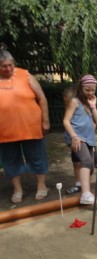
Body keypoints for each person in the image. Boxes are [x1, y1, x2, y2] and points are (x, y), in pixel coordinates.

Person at [0, 50, 50, 204]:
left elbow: (42, 98)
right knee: (10, 160)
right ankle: (17, 189)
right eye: (3, 66)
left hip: (31, 126)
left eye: (10, 65)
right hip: (5, 130)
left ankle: (42, 186)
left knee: (37, 157)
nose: (8, 69)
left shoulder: (26, 75)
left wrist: (45, 121)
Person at [63, 74, 97, 205]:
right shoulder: (75, 102)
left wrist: (93, 106)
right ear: (81, 88)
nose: (90, 93)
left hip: (89, 138)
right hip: (77, 137)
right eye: (87, 90)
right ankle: (85, 194)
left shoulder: (89, 103)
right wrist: (74, 136)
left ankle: (87, 193)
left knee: (90, 166)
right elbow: (66, 121)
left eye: (93, 90)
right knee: (85, 161)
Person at [63, 86, 83, 195]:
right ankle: (78, 184)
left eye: (67, 100)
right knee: (76, 163)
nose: (66, 103)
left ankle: (84, 185)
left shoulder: (80, 111)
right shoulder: (69, 111)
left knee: (85, 163)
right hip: (73, 142)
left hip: (81, 141)